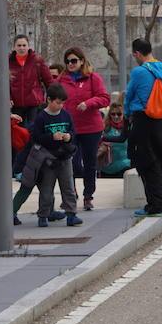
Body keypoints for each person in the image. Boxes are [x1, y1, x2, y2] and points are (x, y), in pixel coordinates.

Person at [124, 38, 162, 218]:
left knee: (145, 163)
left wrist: (127, 114)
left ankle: (153, 205)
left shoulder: (138, 72)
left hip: (143, 120)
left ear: (137, 53)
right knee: (161, 161)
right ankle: (160, 203)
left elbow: (129, 96)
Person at [57, 47, 110, 211]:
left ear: (81, 61)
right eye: (68, 61)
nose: (71, 64)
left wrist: (88, 103)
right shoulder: (61, 80)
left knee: (89, 163)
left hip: (91, 127)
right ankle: (70, 193)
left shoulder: (93, 78)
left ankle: (88, 195)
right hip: (70, 129)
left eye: (74, 60)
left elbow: (104, 98)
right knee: (69, 162)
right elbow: (53, 99)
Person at [29, 83, 83, 228]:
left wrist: (68, 137)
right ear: (49, 100)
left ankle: (71, 214)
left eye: (62, 103)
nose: (60, 106)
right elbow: (37, 136)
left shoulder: (66, 115)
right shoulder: (42, 117)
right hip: (48, 159)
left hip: (65, 158)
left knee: (68, 188)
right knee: (46, 189)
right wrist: (51, 137)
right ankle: (43, 215)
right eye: (58, 103)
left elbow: (73, 132)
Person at [8, 35, 54, 125]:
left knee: (33, 130)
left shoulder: (37, 61)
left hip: (34, 104)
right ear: (14, 47)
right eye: (19, 45)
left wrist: (53, 98)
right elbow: (4, 84)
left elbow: (49, 81)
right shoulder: (7, 61)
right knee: (18, 132)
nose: (22, 48)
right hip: (15, 105)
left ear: (28, 46)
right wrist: (8, 98)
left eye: (24, 45)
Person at [99, 103, 131, 176]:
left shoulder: (128, 128)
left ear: (123, 114)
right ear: (109, 115)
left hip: (125, 167)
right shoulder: (104, 128)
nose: (116, 116)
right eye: (113, 114)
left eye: (119, 114)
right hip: (106, 168)